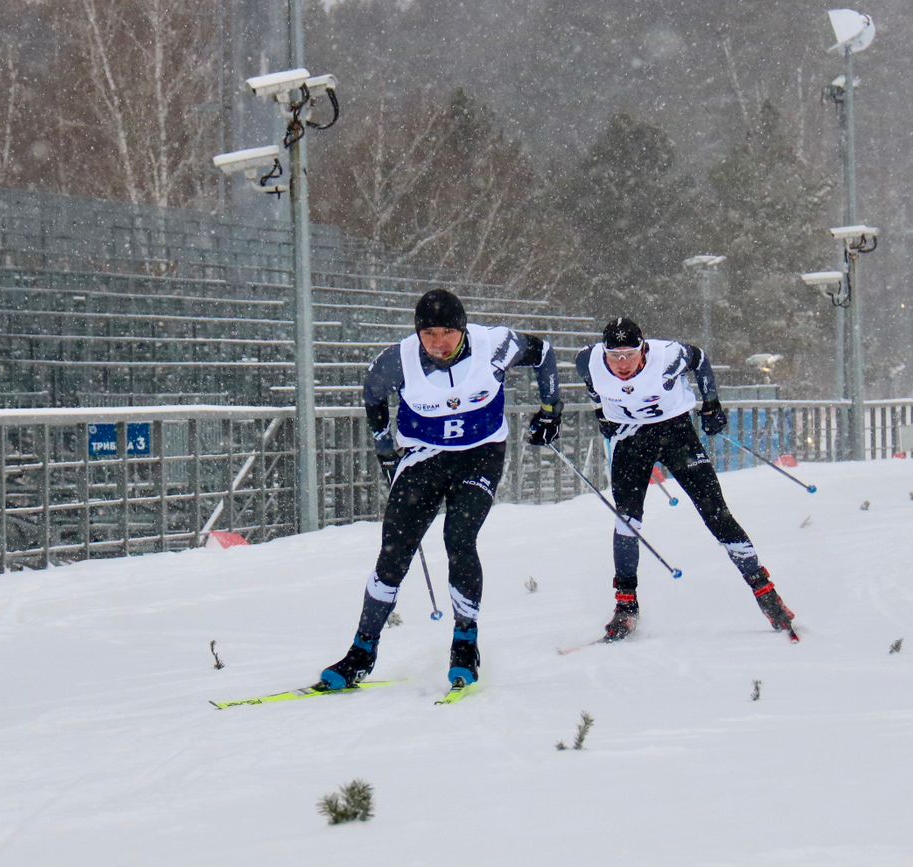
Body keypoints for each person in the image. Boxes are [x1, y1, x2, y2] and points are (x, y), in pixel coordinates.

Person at [318, 288, 562, 691]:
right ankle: (362, 652)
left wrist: (551, 409)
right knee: (394, 553)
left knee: (459, 537)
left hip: (480, 454)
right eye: (429, 334)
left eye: (447, 332)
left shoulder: (495, 345)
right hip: (423, 457)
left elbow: (544, 353)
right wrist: (384, 448)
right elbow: (372, 394)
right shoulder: (396, 360)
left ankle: (465, 642)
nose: (438, 343)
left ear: (463, 329)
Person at [574, 316, 794, 640]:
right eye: (615, 356)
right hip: (630, 438)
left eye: (630, 355)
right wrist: (601, 414)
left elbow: (700, 359)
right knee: (626, 521)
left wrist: (711, 404)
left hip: (676, 433)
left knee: (716, 514)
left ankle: (764, 590)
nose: (622, 364)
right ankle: (626, 604)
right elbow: (593, 387)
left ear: (643, 350)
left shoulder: (667, 356)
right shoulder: (588, 361)